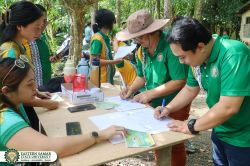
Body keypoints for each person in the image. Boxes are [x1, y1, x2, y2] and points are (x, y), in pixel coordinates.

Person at [154, 17, 250, 166]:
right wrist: (168, 108)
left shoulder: (233, 54)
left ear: (200, 46)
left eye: (182, 57)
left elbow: (229, 106)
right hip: (220, 129)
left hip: (244, 137)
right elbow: (190, 88)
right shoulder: (199, 60)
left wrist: (191, 125)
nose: (181, 62)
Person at [0, 57, 127, 158]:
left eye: (34, 81)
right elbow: (50, 150)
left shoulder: (12, 101)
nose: (35, 87)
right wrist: (99, 135)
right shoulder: (5, 120)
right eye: (29, 84)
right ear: (6, 91)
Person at [116, 10, 190, 166]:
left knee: (174, 143)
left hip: (176, 100)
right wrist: (130, 89)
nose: (138, 40)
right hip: (154, 102)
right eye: (136, 37)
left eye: (141, 36)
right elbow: (142, 77)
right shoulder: (141, 50)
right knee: (158, 140)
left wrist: (151, 93)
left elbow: (179, 80)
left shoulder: (171, 46)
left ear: (154, 32)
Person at [23, 4, 63, 89]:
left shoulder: (43, 36)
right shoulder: (24, 39)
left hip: (45, 84)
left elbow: (46, 56)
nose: (43, 24)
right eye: (42, 21)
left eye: (45, 21)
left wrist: (53, 57)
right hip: (32, 87)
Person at [90, 9, 123, 84]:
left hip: (107, 79)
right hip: (100, 81)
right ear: (108, 23)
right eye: (113, 22)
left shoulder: (105, 38)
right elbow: (94, 61)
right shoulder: (97, 39)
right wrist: (114, 62)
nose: (114, 24)